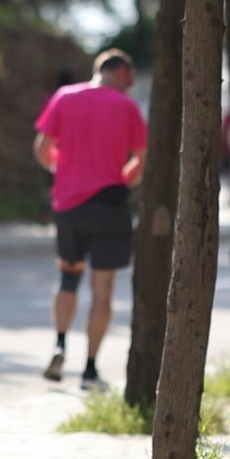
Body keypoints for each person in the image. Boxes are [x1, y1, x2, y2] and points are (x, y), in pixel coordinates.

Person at [33, 49, 147, 390]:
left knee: (68, 277)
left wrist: (61, 168)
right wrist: (121, 178)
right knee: (103, 289)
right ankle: (90, 370)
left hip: (68, 205)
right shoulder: (127, 106)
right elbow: (141, 160)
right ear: (123, 74)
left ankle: (59, 344)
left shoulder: (65, 97)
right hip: (108, 205)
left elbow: (41, 147)